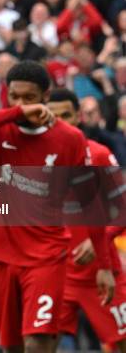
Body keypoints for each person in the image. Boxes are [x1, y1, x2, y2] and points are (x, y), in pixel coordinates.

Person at [0, 60, 114, 352]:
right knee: (12, 347)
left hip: (46, 258)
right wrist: (16, 111)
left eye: (29, 98)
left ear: (45, 96)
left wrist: (104, 266)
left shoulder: (69, 139)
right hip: (2, 258)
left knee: (38, 343)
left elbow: (90, 204)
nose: (21, 104)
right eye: (14, 96)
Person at [47, 88, 126, 351]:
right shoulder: (34, 162)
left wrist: (98, 240)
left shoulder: (100, 155)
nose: (61, 124)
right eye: (54, 117)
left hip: (101, 273)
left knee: (121, 343)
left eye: (66, 116)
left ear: (78, 116)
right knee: (39, 344)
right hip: (55, 274)